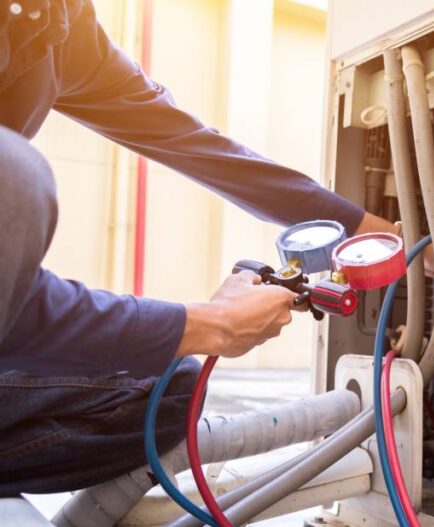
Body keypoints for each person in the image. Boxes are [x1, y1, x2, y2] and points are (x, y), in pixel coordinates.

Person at [0, 0, 399, 495]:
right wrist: (210, 323)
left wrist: (363, 227)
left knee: (166, 392)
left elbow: (198, 145)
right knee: (16, 176)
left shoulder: (61, 23)